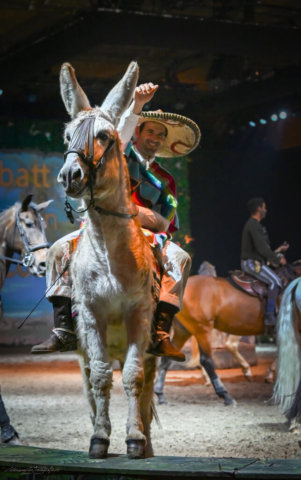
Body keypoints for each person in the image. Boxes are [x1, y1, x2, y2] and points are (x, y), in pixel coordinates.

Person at [31, 82, 200, 361]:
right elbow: (117, 134)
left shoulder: (165, 178)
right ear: (137, 134)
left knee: (180, 258)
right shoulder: (118, 154)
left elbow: (166, 220)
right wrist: (137, 106)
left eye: (160, 134)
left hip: (146, 235)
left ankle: (160, 332)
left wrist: (141, 214)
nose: (155, 138)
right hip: (103, 227)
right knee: (57, 251)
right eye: (150, 131)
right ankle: (64, 329)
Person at [241, 197, 288, 326]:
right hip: (252, 264)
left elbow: (263, 249)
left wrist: (278, 251)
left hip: (255, 261)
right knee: (276, 282)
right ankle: (269, 315)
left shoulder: (254, 225)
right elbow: (262, 248)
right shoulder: (253, 224)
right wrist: (278, 259)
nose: (266, 210)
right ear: (259, 209)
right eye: (264, 207)